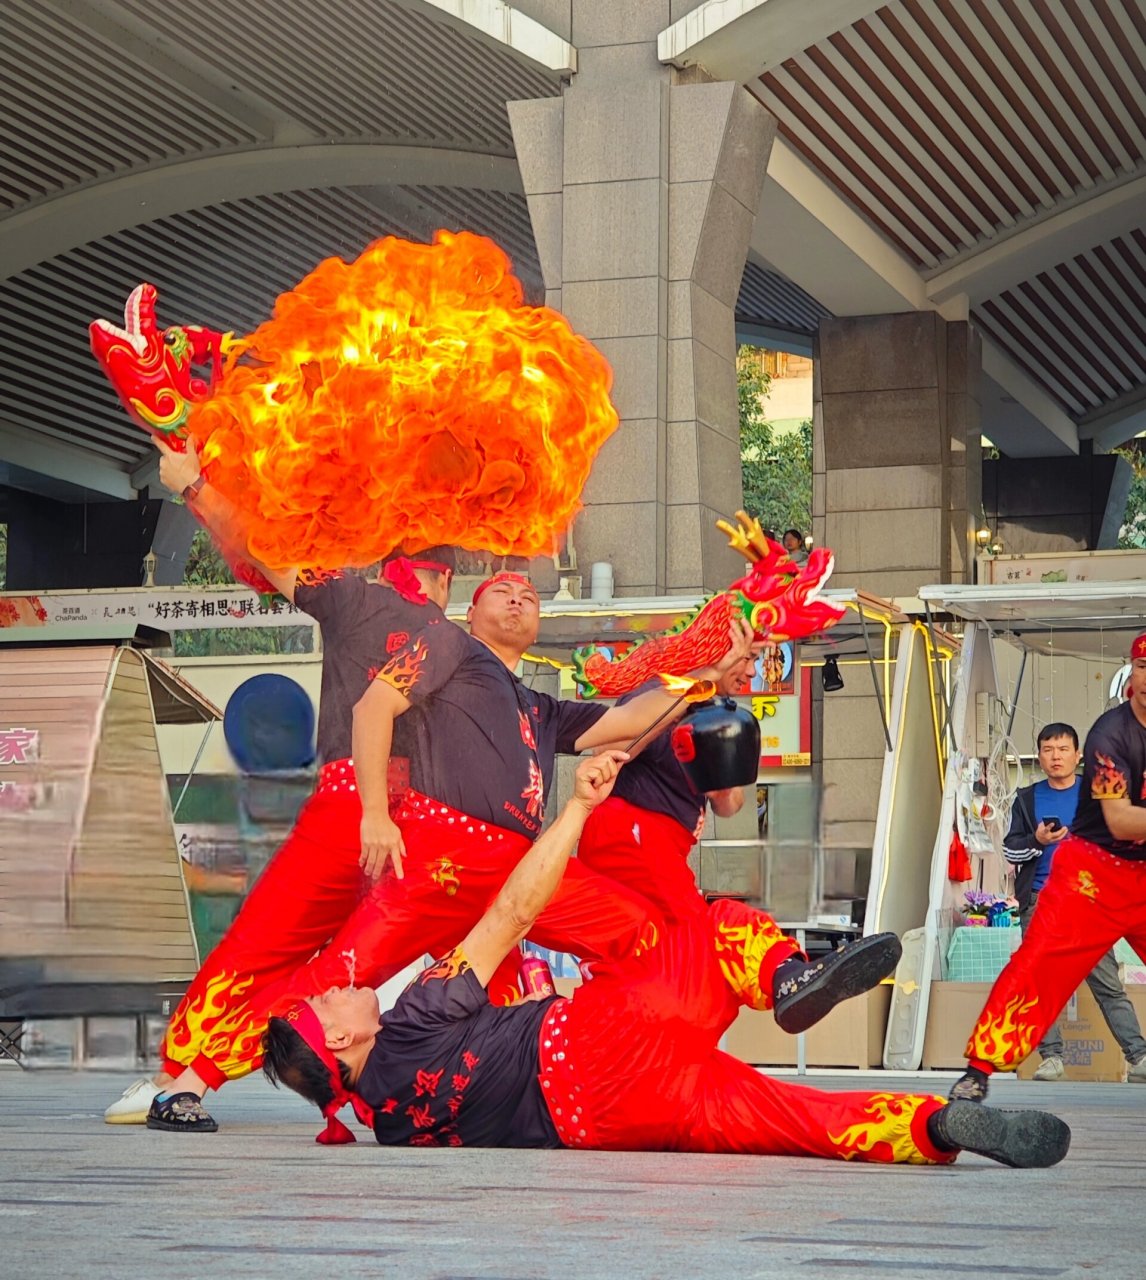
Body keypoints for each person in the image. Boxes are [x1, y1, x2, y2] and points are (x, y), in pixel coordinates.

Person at [263, 753, 1071, 1171]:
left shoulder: (388, 1123)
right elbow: (510, 915)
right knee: (715, 928)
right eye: (324, 1006)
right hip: (595, 1036)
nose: (336, 990)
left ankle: (934, 1128)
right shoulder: (409, 1022)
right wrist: (577, 806)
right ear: (336, 1045)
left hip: (611, 1124)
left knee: (798, 1123)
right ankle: (786, 978)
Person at [576, 649, 900, 1032]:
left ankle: (775, 978)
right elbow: (603, 748)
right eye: (747, 659)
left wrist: (719, 775)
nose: (753, 671)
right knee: (702, 931)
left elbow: (730, 804)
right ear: (717, 651)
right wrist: (675, 714)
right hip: (629, 834)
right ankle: (783, 974)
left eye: (757, 660)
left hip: (663, 846)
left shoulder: (718, 711)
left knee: (660, 954)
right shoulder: (662, 692)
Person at [950, 638, 1146, 1102]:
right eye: (1144, 664)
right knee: (1037, 965)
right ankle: (979, 1071)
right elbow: (1119, 819)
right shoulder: (1109, 737)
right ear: (1131, 673)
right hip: (1092, 876)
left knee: (1106, 988)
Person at [999, 723, 1146, 1084]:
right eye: (1048, 750)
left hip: (1090, 904)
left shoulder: (1100, 795)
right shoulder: (1027, 799)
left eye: (1063, 749)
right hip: (1040, 901)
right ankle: (1051, 1058)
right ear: (1040, 755)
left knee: (1106, 983)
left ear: (1078, 755)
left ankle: (1139, 1056)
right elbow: (1009, 848)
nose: (1056, 756)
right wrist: (1037, 839)